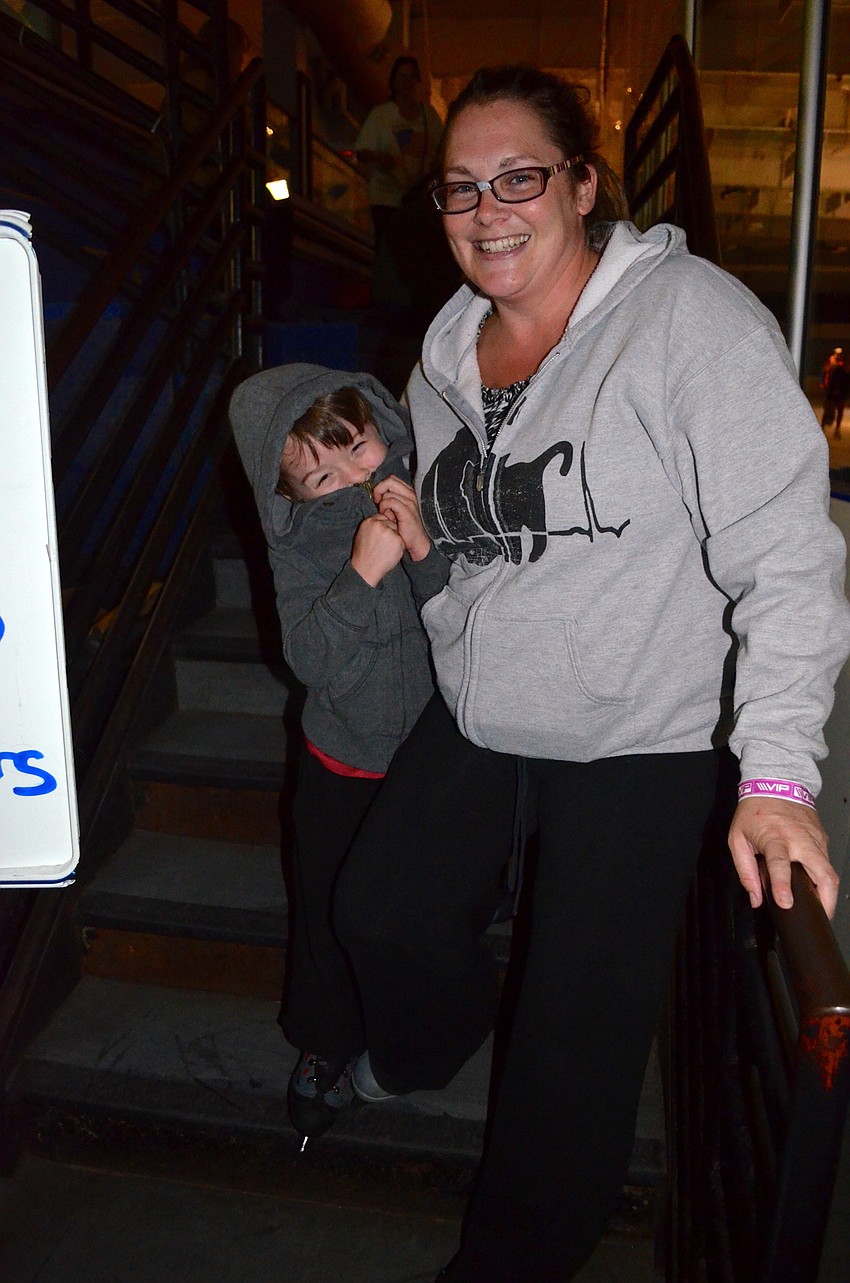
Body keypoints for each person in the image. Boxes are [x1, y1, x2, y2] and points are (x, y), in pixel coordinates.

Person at [334, 65, 850, 1282]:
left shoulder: (688, 322)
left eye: (519, 177)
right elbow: (470, 533)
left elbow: (787, 555)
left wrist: (777, 775)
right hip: (486, 701)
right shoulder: (445, 350)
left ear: (581, 184)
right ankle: (430, 1041)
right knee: (380, 909)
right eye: (460, 187)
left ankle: (513, 1261)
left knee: (571, 1033)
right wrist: (432, 579)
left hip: (644, 729)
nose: (487, 211)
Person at [229, 364, 446, 1144]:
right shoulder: (300, 546)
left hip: (430, 756)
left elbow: (463, 609)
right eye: (322, 476)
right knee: (328, 912)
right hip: (342, 766)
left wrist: (421, 550)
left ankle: (411, 1026)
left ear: (383, 423)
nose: (356, 477)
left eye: (359, 447)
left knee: (413, 913)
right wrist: (360, 573)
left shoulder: (422, 487)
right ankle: (326, 1042)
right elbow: (309, 659)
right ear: (290, 495)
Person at [355, 55, 443, 249]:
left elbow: (442, 149)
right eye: (402, 76)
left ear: (418, 81)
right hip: (387, 199)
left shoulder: (429, 116)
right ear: (393, 81)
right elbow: (361, 152)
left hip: (419, 198)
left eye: (411, 77)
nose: (407, 82)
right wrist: (379, 157)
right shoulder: (381, 115)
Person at [821, 346, 848, 438]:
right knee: (828, 409)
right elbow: (826, 372)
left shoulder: (843, 367)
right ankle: (823, 427)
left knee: (839, 411)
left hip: (841, 393)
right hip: (833, 391)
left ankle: (836, 429)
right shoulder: (832, 361)